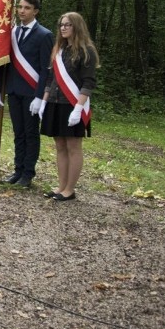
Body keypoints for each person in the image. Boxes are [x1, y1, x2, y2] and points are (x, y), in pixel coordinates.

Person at [0, 0, 53, 187]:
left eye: (27, 8)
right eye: (20, 7)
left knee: (30, 133)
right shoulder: (11, 32)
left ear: (35, 11)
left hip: (31, 93)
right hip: (14, 90)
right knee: (18, 132)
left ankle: (28, 173)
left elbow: (47, 69)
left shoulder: (44, 35)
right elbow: (4, 63)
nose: (21, 11)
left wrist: (40, 96)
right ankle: (18, 170)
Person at [39, 12, 98, 201]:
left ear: (77, 27)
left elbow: (88, 83)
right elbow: (51, 78)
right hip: (55, 103)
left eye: (68, 25)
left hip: (73, 104)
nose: (63, 28)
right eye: (61, 25)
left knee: (73, 146)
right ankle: (61, 186)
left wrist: (79, 108)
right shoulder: (59, 50)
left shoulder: (86, 51)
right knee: (60, 146)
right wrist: (44, 101)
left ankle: (70, 189)